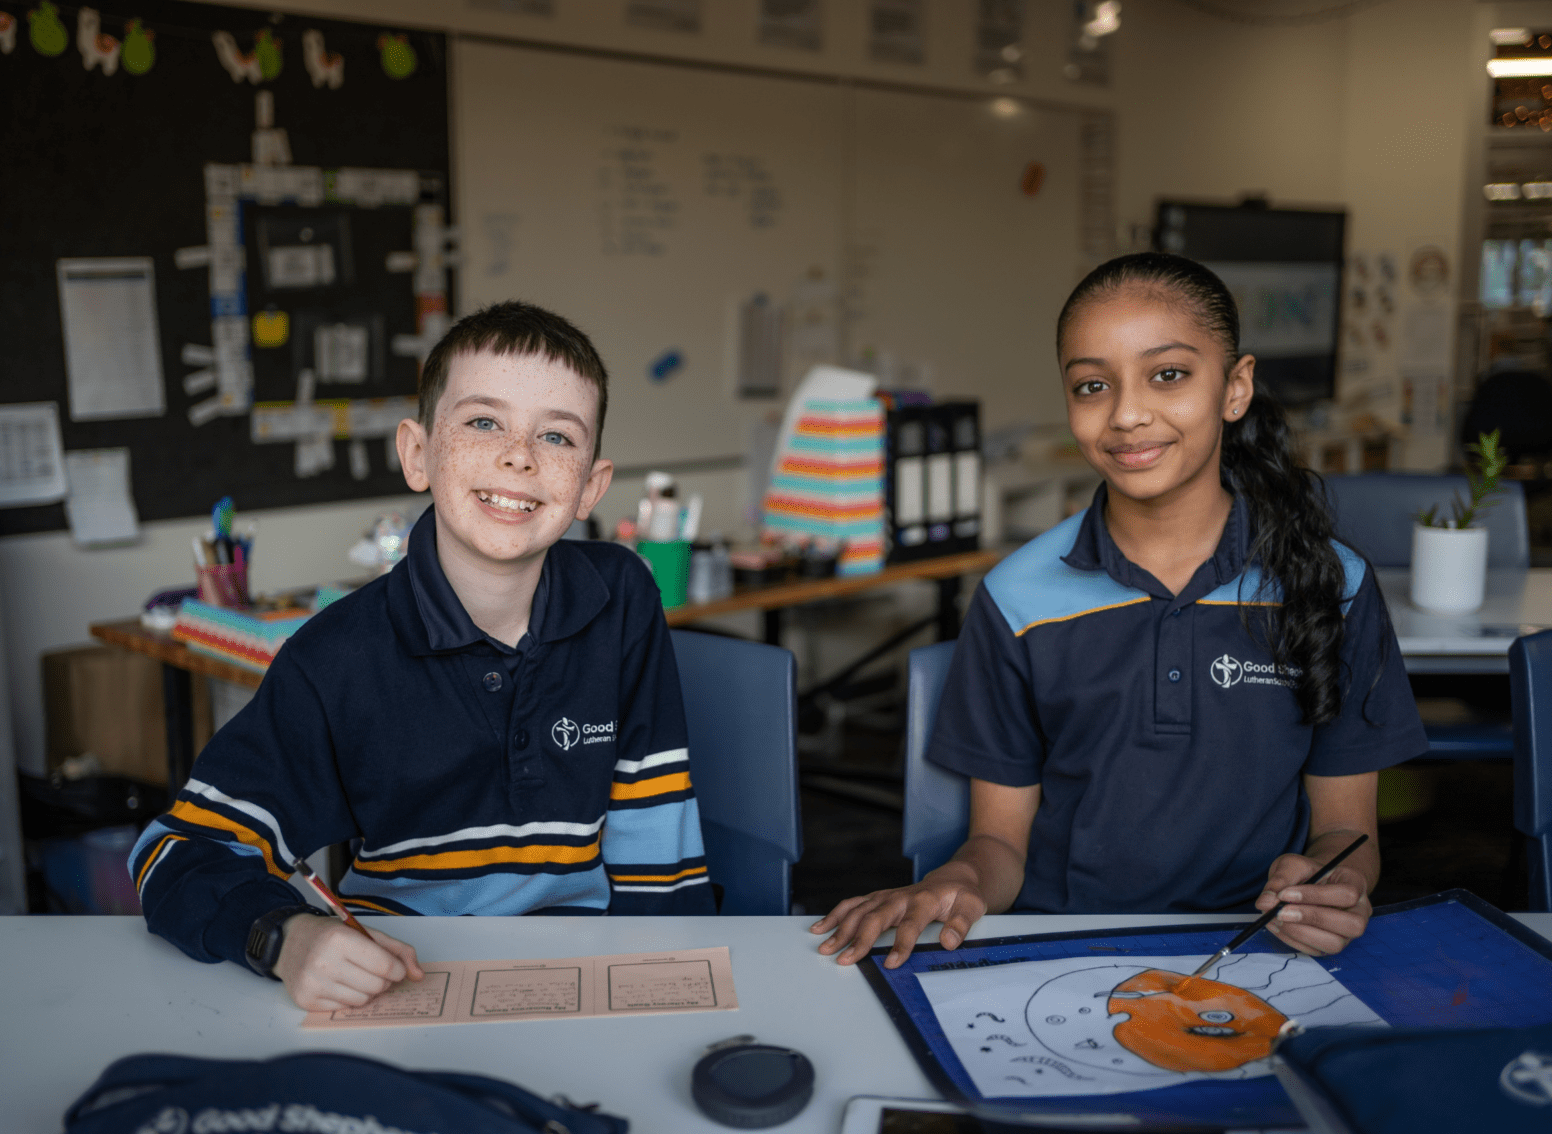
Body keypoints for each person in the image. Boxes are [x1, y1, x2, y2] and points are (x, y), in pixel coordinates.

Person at [814, 253, 1426, 969]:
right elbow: (1000, 844)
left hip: (1257, 952)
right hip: (1060, 950)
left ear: (1235, 388)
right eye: (1092, 385)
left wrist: (1336, 885)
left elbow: (1348, 834)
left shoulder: (1334, 582)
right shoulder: (1017, 597)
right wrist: (960, 881)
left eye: (1168, 374)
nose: (1128, 414)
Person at [131, 301, 713, 1011]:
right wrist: (284, 937)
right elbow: (173, 853)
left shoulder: (620, 597)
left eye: (557, 436)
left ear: (589, 485)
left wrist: (668, 985)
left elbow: (654, 825)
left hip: (587, 973)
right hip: (401, 981)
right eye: (483, 421)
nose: (519, 454)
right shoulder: (337, 657)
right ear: (417, 454)